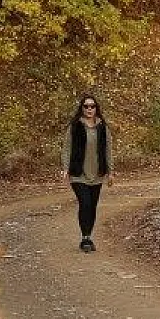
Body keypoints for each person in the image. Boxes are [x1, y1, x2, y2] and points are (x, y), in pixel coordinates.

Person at [62, 95, 112, 252]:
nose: (89, 109)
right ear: (82, 108)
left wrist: (110, 171)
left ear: (96, 108)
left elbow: (108, 150)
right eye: (86, 106)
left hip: (97, 174)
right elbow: (67, 148)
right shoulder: (75, 126)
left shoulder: (103, 127)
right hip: (78, 173)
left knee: (93, 206)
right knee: (85, 203)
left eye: (92, 106)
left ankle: (89, 235)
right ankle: (85, 238)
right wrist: (65, 168)